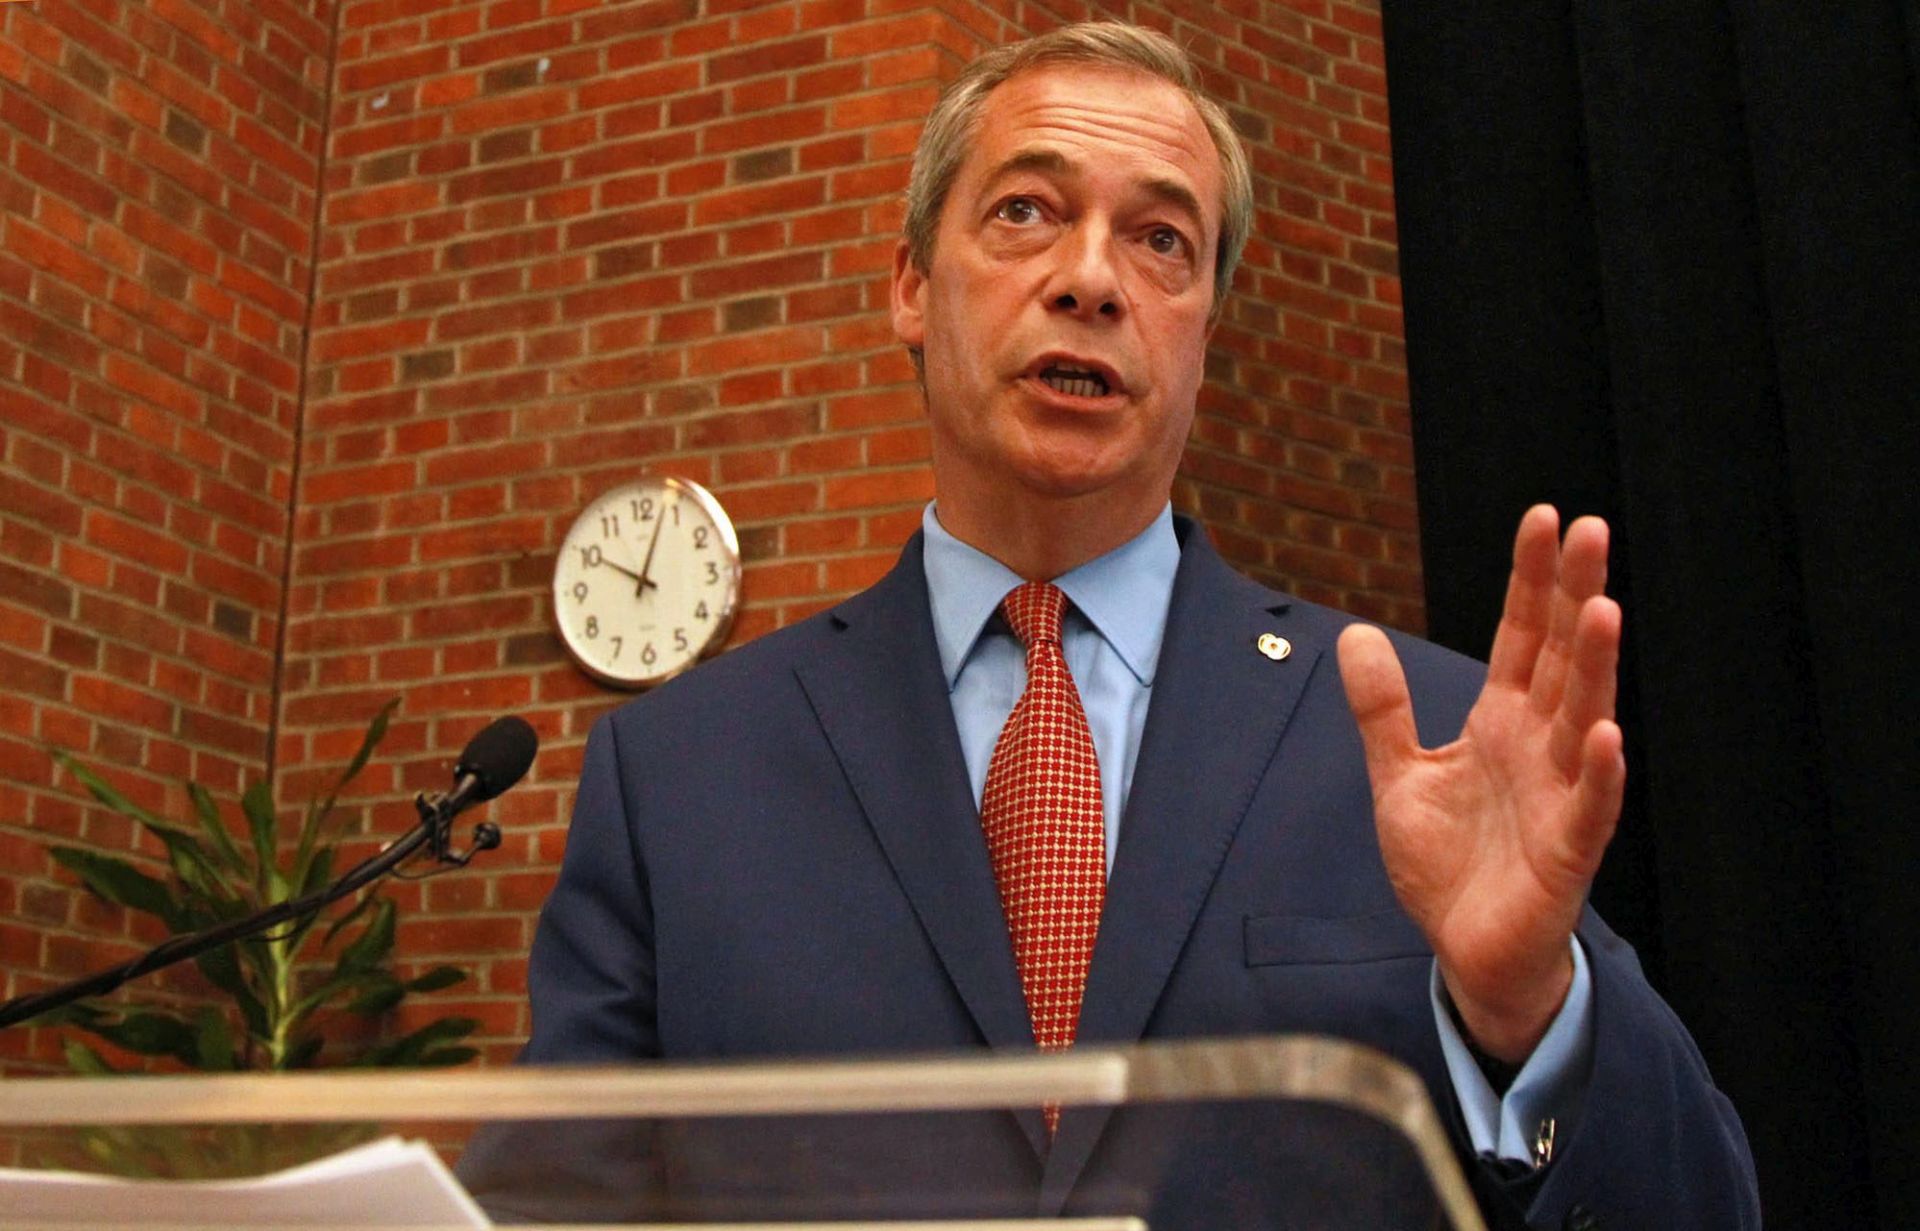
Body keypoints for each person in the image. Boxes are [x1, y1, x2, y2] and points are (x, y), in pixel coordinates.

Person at [461, 23, 1758, 1228]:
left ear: (1204, 328)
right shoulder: (681, 771)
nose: (1090, 278)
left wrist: (1529, 1011)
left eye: (1161, 241)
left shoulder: (1427, 738)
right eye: (1026, 212)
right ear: (911, 286)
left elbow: (1701, 1206)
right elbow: (550, 1207)